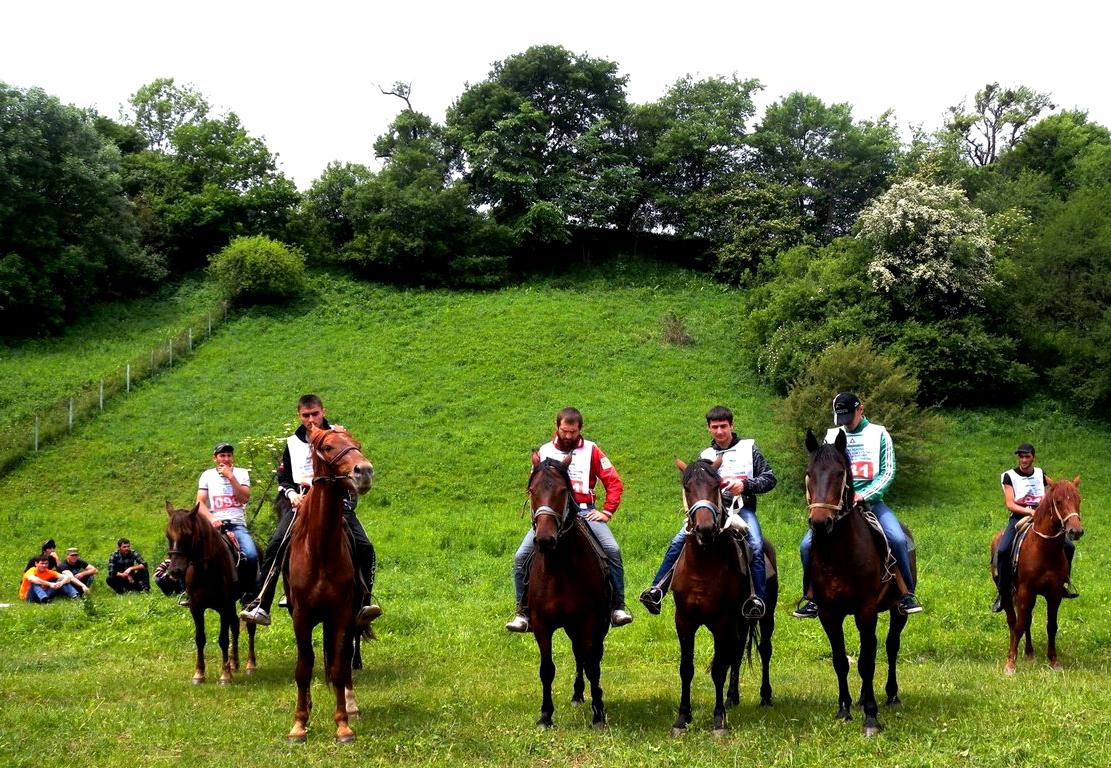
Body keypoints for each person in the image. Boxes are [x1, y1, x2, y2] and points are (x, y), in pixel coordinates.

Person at [240, 394, 380, 627]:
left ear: (323, 411)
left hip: (336, 504)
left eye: (315, 413)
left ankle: (364, 600)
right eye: (306, 415)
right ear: (299, 416)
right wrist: (292, 495)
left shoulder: (338, 435)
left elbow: (352, 469)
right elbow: (284, 479)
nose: (311, 419)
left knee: (365, 546)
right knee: (276, 545)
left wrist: (348, 499)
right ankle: (261, 602)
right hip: (301, 504)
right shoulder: (292, 443)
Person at [640, 405, 777, 619]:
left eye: (724, 426)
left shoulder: (749, 448)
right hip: (711, 511)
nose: (720, 431)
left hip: (742, 509)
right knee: (678, 540)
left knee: (757, 544)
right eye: (715, 427)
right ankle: (657, 589)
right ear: (708, 428)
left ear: (732, 425)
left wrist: (745, 485)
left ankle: (756, 598)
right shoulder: (706, 455)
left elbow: (770, 478)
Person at [793, 392, 922, 618]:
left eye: (849, 416)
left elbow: (888, 471)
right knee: (806, 545)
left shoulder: (879, 434)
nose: (845, 423)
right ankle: (811, 596)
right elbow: (823, 470)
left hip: (871, 503)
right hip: (837, 505)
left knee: (898, 538)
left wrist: (863, 495)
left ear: (860, 409)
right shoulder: (832, 435)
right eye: (840, 418)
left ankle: (906, 593)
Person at [506, 406, 633, 632]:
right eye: (564, 431)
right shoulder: (544, 452)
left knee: (612, 549)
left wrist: (606, 511)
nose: (568, 436)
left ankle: (618, 606)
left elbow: (614, 482)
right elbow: (533, 487)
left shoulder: (592, 450)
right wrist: (539, 514)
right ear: (557, 427)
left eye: (573, 432)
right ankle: (522, 611)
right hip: (552, 515)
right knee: (521, 556)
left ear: (579, 429)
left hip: (585, 512)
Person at [992, 443, 1078, 613]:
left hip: (1042, 517)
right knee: (1002, 550)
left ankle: (1063, 582)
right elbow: (1010, 503)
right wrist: (1030, 512)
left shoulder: (1041, 474)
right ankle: (1003, 592)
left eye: (1027, 456)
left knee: (1069, 546)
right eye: (1021, 457)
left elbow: (1050, 497)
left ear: (1033, 457)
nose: (1023, 460)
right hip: (1019, 515)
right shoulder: (1009, 476)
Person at [196, 441, 257, 581]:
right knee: (191, 551)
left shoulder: (242, 473)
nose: (226, 459)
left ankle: (251, 590)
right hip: (213, 526)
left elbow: (244, 498)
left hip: (237, 524)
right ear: (215, 458)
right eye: (222, 455)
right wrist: (212, 519)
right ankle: (188, 591)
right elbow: (199, 503)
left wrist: (231, 477)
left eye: (229, 455)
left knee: (251, 554)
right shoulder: (207, 475)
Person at [20, 553, 87, 602]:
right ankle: (45, 600)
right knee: (34, 584)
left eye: (46, 563)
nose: (44, 565)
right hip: (28, 597)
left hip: (46, 593)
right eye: (42, 563)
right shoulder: (32, 570)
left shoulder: (49, 571)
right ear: (36, 564)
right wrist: (50, 584)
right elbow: (32, 579)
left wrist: (61, 583)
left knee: (62, 581)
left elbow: (68, 577)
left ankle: (75, 596)